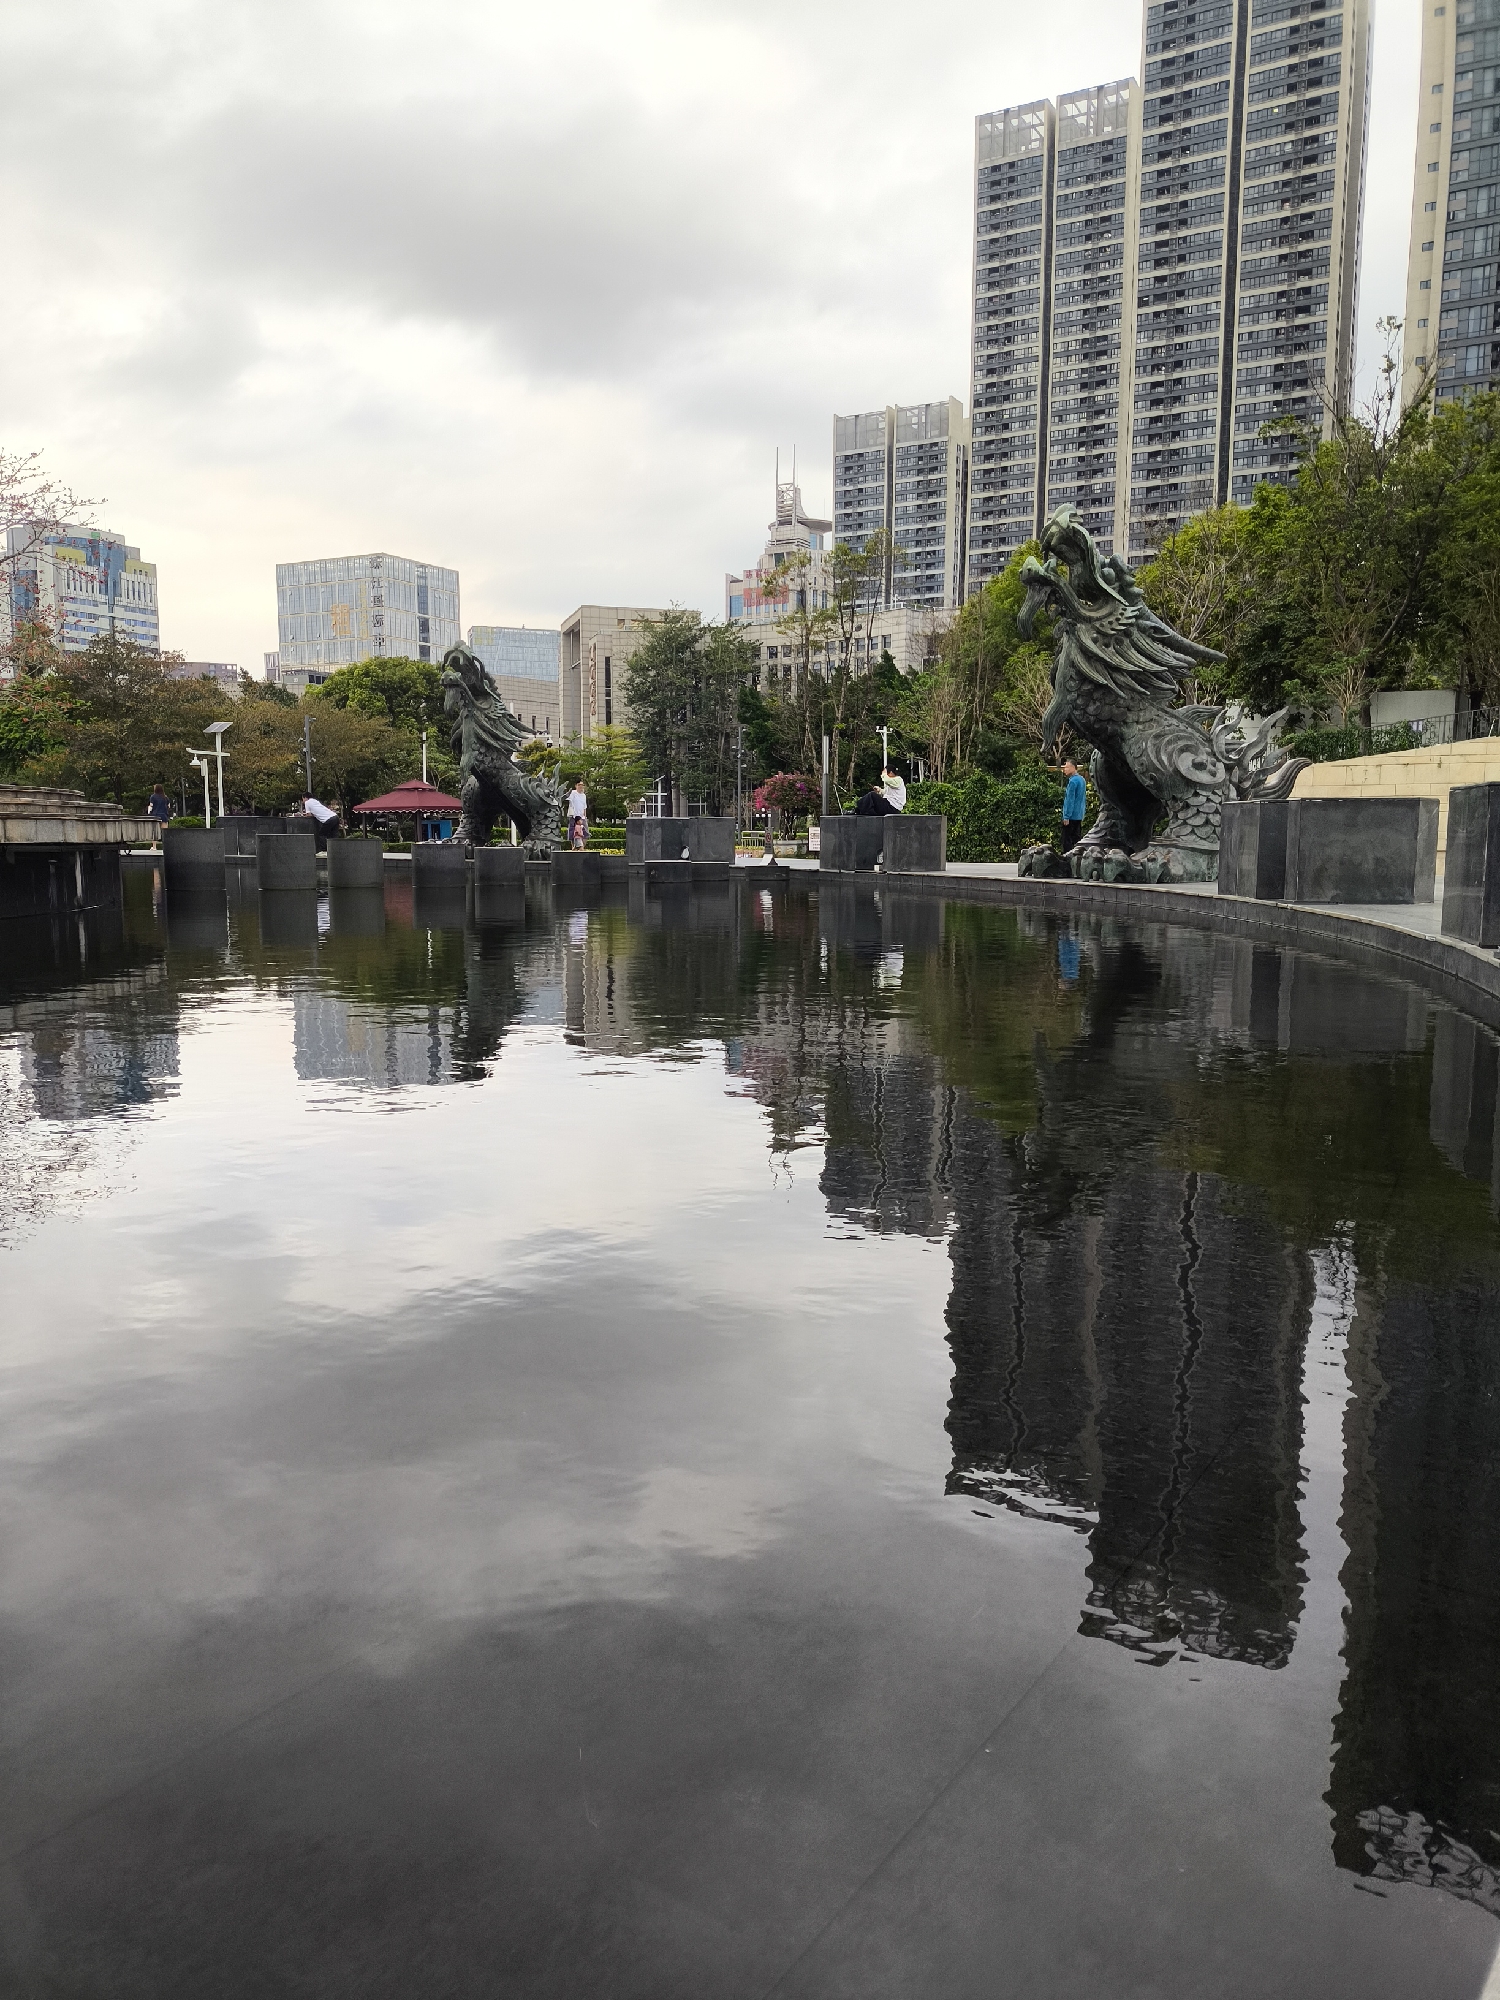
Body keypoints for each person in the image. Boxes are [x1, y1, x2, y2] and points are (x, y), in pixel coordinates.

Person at [1060, 758, 1087, 852]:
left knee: (1067, 841)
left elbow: (1070, 800)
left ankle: (1067, 859)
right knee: (1077, 840)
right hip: (1079, 815)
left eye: (1066, 767)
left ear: (1073, 767)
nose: (1064, 769)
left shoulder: (1073, 781)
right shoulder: (1082, 780)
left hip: (1071, 817)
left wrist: (1066, 816)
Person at [566, 778, 589, 849]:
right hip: (573, 816)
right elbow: (566, 798)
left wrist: (585, 817)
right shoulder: (572, 793)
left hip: (582, 817)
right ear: (576, 785)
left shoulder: (584, 795)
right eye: (579, 785)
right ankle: (574, 848)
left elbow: (584, 807)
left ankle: (582, 848)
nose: (581, 786)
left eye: (582, 785)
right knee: (572, 832)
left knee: (586, 833)